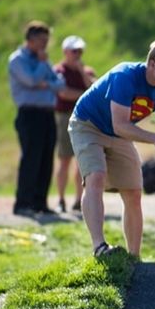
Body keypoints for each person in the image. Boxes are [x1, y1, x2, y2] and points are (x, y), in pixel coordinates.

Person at [70, 38, 155, 258]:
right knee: (95, 176)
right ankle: (100, 247)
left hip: (119, 132)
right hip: (88, 125)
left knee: (133, 192)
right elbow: (121, 124)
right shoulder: (124, 76)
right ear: (152, 64)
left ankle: (134, 258)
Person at [8, 20, 66, 216]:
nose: (44, 44)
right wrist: (42, 69)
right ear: (30, 39)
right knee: (31, 158)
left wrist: (45, 82)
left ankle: (39, 202)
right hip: (29, 114)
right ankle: (23, 203)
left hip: (48, 114)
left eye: (46, 40)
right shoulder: (17, 60)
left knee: (46, 159)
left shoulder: (44, 60)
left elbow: (59, 84)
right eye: (41, 40)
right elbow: (31, 81)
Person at [54, 35, 96, 213]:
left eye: (80, 51)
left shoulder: (86, 71)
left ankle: (79, 199)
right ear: (65, 52)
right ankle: (61, 199)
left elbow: (95, 90)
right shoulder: (59, 70)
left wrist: (81, 72)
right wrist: (84, 93)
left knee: (81, 161)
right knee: (64, 159)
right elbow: (63, 93)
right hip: (65, 116)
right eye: (74, 51)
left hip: (83, 117)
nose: (78, 54)